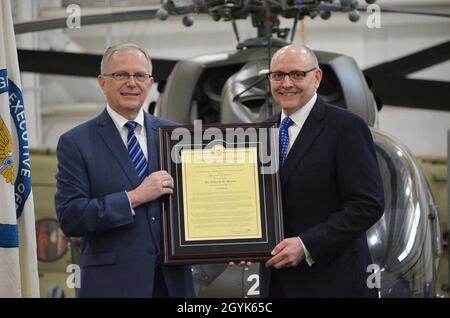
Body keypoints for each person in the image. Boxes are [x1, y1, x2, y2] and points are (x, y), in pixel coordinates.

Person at [55, 44, 194, 298]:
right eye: (121, 75)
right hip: (112, 286)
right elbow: (71, 217)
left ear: (150, 83)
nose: (132, 83)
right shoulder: (75, 142)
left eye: (140, 76)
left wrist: (229, 245)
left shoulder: (177, 135)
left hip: (173, 285)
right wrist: (135, 196)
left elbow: (198, 203)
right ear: (102, 82)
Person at [261, 44, 384, 297]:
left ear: (316, 77)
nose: (286, 83)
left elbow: (367, 204)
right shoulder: (260, 133)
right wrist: (238, 245)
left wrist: (307, 245)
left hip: (333, 282)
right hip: (276, 284)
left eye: (297, 74)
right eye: (278, 75)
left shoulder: (347, 127)